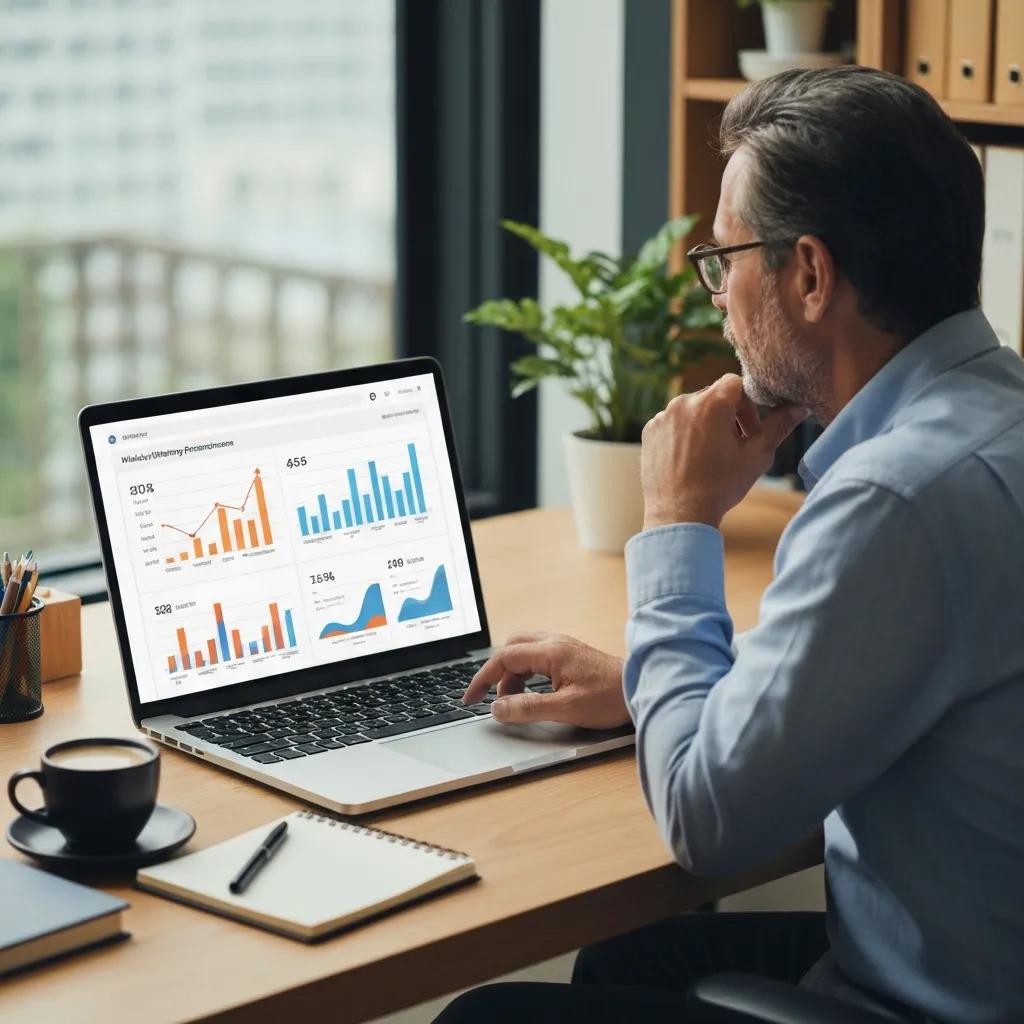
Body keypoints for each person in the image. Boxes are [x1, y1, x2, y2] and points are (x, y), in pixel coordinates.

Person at [435, 65, 1024, 1024]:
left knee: (482, 1019)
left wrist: (677, 518)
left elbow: (704, 822)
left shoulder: (891, 500)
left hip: (928, 1004)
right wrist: (643, 683)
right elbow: (893, 652)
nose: (715, 294)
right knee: (634, 958)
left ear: (810, 275)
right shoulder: (997, 416)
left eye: (725, 258)